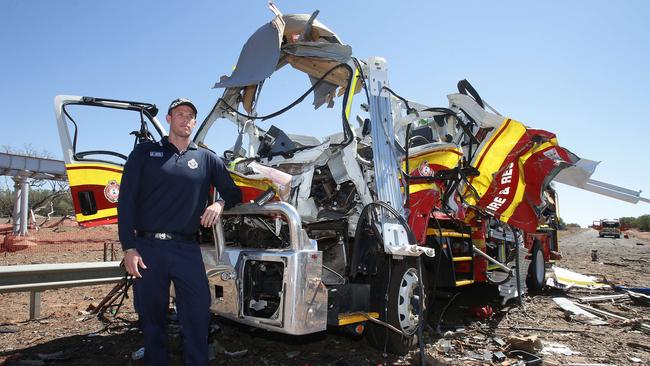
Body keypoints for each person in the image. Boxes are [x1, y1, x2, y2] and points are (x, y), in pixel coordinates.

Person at [117, 98, 242, 365]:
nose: (185, 119)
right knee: (152, 319)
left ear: (194, 122)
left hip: (186, 249)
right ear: (169, 119)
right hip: (148, 249)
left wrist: (219, 204)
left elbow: (233, 192)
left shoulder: (206, 158)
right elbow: (126, 202)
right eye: (180, 114)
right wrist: (129, 247)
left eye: (190, 116)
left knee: (198, 313)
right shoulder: (143, 154)